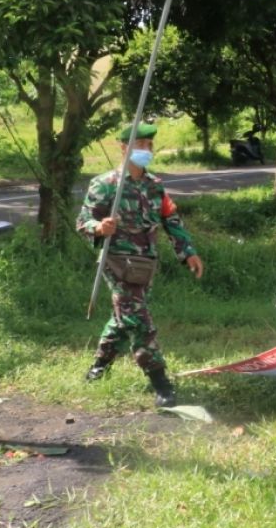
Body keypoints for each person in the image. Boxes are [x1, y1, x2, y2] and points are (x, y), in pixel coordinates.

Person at [79, 123, 204, 408]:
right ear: (124, 148)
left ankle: (99, 366)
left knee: (125, 314)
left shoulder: (155, 185)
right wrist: (99, 227)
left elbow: (171, 220)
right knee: (138, 319)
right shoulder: (105, 184)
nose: (146, 150)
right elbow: (82, 222)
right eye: (140, 144)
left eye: (149, 145)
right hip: (117, 262)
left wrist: (188, 252)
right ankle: (160, 382)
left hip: (145, 263)